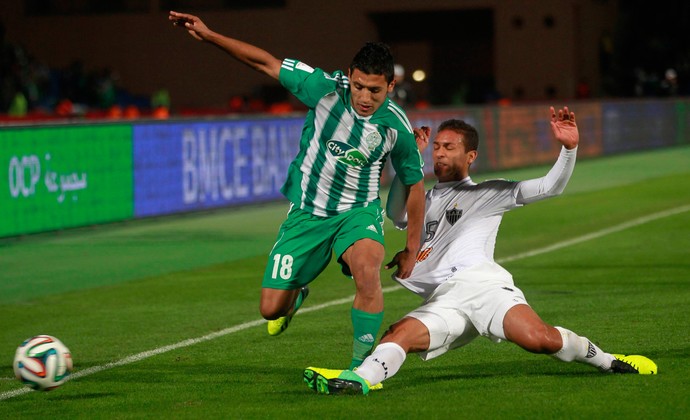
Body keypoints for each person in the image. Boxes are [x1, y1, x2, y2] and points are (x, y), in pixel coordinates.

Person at [303, 106, 658, 395]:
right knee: (399, 335)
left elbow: (551, 187)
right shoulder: (423, 199)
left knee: (541, 340)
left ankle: (610, 360)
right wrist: (410, 159)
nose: (440, 153)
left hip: (485, 289)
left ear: (470, 155)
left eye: (450, 147)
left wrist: (568, 149)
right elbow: (394, 213)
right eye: (437, 146)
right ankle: (360, 380)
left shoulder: (489, 192)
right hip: (446, 299)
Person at [169, 11, 426, 370]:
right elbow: (266, 63)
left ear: (390, 87)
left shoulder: (396, 126)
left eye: (375, 90)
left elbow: (414, 183)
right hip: (306, 213)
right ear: (349, 76)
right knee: (270, 309)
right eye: (359, 86)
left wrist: (413, 248)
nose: (365, 96)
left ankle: (361, 369)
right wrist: (210, 35)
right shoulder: (322, 87)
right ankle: (298, 291)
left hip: (357, 213)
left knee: (367, 273)